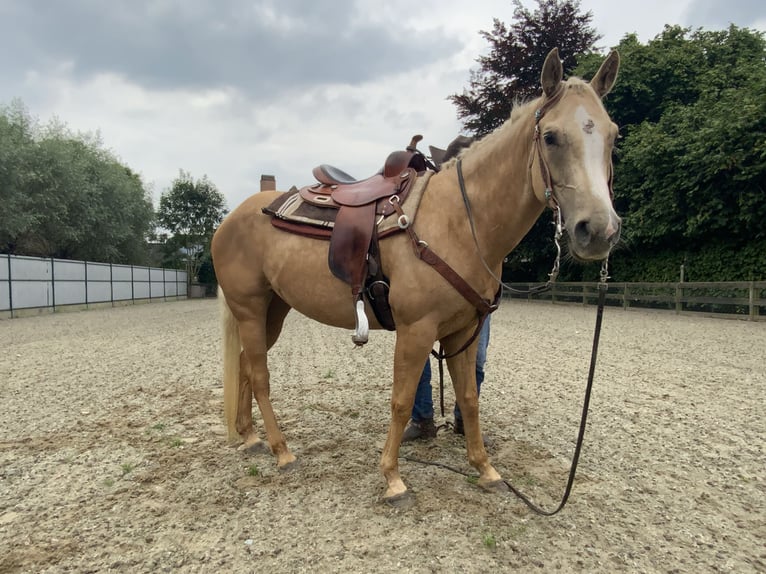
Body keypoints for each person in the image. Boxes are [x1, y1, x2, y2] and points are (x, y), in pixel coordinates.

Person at [402, 317, 490, 441]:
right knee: (417, 355)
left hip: (476, 302)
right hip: (428, 301)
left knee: (477, 359)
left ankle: (465, 422)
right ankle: (422, 421)